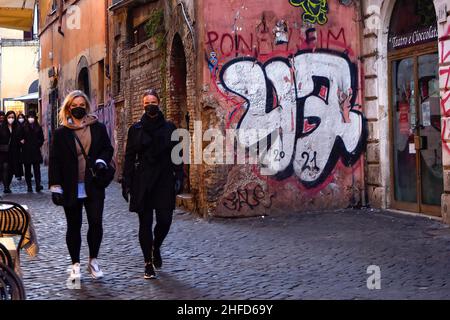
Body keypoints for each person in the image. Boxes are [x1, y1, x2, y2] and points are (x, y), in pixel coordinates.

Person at [49, 90, 114, 282]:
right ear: (68, 108)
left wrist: (102, 160)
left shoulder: (98, 128)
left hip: (93, 183)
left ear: (87, 106)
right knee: (73, 226)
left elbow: (107, 148)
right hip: (70, 185)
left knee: (95, 223)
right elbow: (55, 160)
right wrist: (55, 187)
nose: (78, 109)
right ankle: (75, 264)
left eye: (82, 105)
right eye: (74, 106)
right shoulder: (61, 133)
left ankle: (93, 260)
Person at [122, 89, 184, 280]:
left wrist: (180, 177)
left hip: (164, 179)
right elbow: (129, 158)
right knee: (145, 223)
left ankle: (156, 246)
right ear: (143, 105)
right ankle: (147, 263)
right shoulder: (136, 129)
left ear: (159, 103)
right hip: (143, 181)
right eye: (147, 102)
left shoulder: (170, 128)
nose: (150, 104)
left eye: (153, 101)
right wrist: (127, 182)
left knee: (165, 221)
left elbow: (178, 155)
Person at [21, 111, 44, 192]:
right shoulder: (23, 126)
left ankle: (38, 185)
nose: (31, 118)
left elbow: (41, 138)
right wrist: (22, 142)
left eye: (32, 117)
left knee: (37, 169)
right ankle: (29, 186)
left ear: (35, 118)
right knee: (27, 170)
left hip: (35, 151)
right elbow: (20, 137)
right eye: (29, 117)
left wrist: (37, 144)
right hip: (26, 151)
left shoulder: (38, 127)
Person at [0, 111, 22, 193]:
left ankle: (8, 185)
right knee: (5, 168)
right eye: (9, 117)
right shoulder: (2, 127)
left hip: (14, 152)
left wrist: (21, 141)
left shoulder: (17, 126)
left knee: (11, 170)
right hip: (4, 152)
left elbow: (20, 137)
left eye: (12, 117)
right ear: (6, 117)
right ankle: (6, 187)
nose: (11, 119)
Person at [16, 113, 26, 181]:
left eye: (21, 117)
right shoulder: (16, 125)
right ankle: (19, 174)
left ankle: (28, 173)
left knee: (26, 160)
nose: (20, 119)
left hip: (25, 145)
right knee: (19, 161)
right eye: (19, 117)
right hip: (18, 145)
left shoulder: (26, 124)